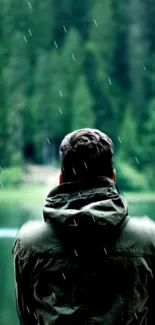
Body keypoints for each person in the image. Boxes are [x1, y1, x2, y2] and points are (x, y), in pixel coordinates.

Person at [13, 128, 155, 325]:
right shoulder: (148, 238)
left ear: (61, 180)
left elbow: (27, 317)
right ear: (113, 178)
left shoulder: (29, 243)